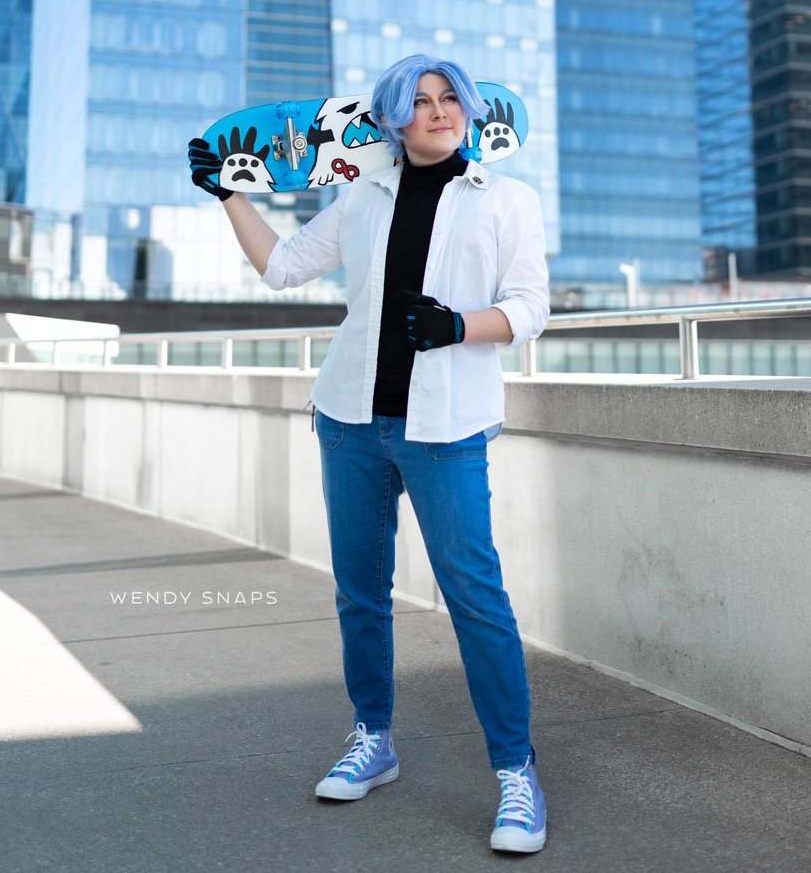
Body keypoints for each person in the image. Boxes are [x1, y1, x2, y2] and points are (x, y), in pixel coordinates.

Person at [188, 54, 550, 854]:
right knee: (360, 593)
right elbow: (283, 267)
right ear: (391, 120)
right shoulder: (363, 194)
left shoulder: (505, 198)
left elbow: (530, 308)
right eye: (419, 101)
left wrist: (459, 326)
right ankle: (373, 739)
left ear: (468, 111)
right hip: (349, 421)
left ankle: (515, 771)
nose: (438, 111)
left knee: (476, 599)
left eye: (449, 98)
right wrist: (229, 193)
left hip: (445, 430)